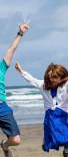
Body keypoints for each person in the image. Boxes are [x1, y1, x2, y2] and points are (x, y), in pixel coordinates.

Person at [15, 61, 68, 157]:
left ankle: (66, 148)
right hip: (50, 115)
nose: (54, 80)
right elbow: (31, 80)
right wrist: (20, 70)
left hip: (63, 115)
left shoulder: (65, 86)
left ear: (61, 78)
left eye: (57, 78)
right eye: (53, 78)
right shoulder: (42, 85)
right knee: (52, 133)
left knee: (66, 133)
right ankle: (46, 142)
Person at [0, 22, 29, 157]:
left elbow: (11, 49)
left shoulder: (1, 67)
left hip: (2, 107)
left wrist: (20, 32)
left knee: (16, 140)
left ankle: (4, 146)